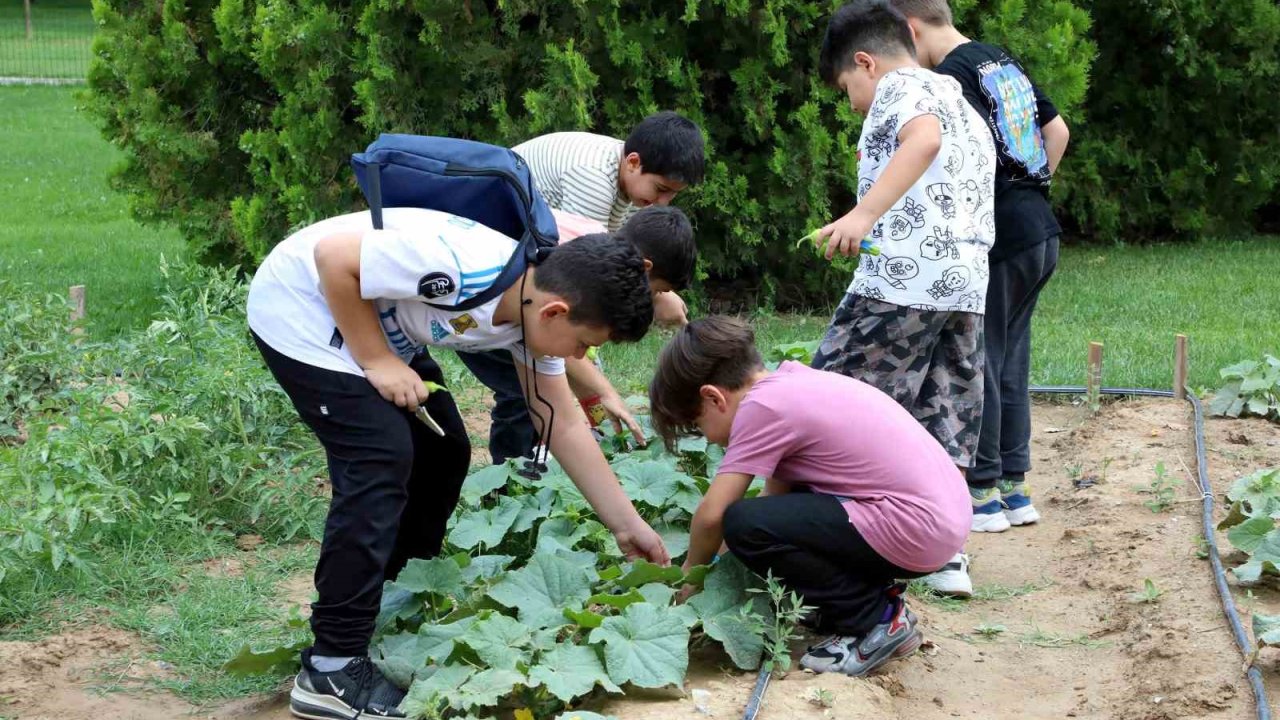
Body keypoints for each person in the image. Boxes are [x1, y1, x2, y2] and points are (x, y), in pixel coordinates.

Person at [247, 207, 669, 720]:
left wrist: (628, 526)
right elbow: (334, 258)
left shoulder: (531, 309)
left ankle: (386, 601)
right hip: (303, 307)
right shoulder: (462, 269)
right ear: (556, 312)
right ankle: (331, 665)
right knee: (382, 456)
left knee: (444, 449)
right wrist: (378, 361)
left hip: (375, 318)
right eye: (585, 345)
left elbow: (561, 420)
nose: (580, 355)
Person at [649, 317, 969, 677]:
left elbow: (714, 516)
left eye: (697, 425)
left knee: (741, 520)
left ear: (712, 397)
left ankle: (873, 620)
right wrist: (722, 579)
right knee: (761, 520)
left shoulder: (762, 407)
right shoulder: (793, 383)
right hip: (938, 522)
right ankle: (862, 599)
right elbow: (778, 501)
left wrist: (691, 577)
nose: (705, 438)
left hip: (915, 528)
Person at [809, 0, 996, 597]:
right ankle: (945, 555)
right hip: (965, 283)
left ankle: (829, 544)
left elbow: (922, 140)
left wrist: (862, 215)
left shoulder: (900, 89)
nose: (852, 103)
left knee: (831, 398)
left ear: (866, 62)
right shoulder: (958, 97)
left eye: (846, 88)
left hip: (902, 281)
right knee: (946, 405)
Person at [890, 0, 1070, 534]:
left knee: (982, 358)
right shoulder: (998, 60)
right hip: (1040, 228)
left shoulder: (948, 78)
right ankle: (1016, 487)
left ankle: (984, 493)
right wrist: (1030, 190)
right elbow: (1055, 131)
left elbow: (941, 150)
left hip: (1001, 235)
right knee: (1011, 358)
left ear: (909, 28)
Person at [457, 205, 696, 464]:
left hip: (506, 311)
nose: (655, 299)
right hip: (482, 302)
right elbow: (560, 341)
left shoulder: (604, 252)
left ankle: (534, 457)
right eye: (658, 291)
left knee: (548, 385)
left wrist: (598, 399)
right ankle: (510, 473)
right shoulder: (585, 266)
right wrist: (605, 392)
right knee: (521, 391)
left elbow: (572, 353)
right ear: (644, 268)